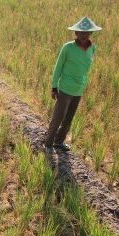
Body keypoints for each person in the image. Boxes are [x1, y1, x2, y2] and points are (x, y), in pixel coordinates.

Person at [45, 16, 102, 152]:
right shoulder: (67, 48)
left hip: (79, 89)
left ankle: (59, 142)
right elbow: (58, 67)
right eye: (81, 32)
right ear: (76, 33)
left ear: (91, 34)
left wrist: (84, 83)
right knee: (58, 118)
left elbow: (86, 68)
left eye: (87, 33)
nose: (83, 35)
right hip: (65, 88)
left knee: (69, 119)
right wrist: (54, 86)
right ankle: (48, 144)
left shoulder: (92, 48)